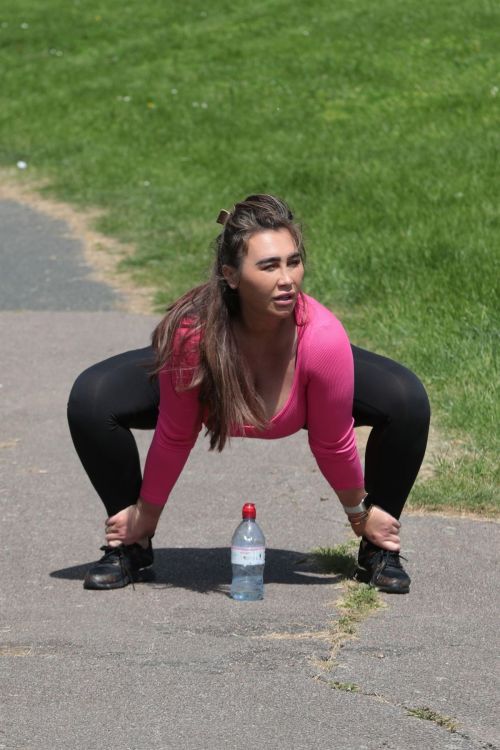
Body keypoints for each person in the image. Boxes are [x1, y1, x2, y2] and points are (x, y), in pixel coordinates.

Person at [67, 194, 430, 594]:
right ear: (232, 275)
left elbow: (333, 442)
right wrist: (145, 514)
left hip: (314, 372)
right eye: (269, 265)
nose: (287, 278)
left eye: (293, 261)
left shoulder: (323, 339)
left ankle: (379, 547)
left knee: (406, 399)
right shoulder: (193, 335)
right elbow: (176, 433)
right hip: (205, 359)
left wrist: (360, 516)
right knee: (93, 397)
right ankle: (131, 546)